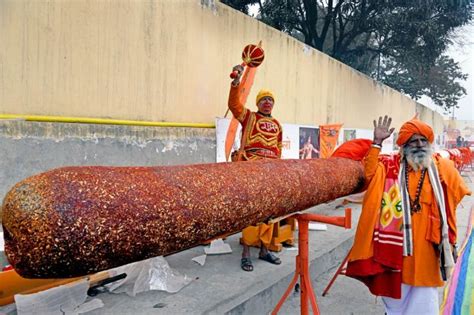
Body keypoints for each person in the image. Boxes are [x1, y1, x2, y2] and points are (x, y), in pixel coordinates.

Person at [345, 115, 471, 314]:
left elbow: (457, 195)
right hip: (397, 244)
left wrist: (440, 223)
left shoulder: (441, 167)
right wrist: (377, 142)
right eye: (413, 141)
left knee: (425, 295)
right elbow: (368, 175)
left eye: (423, 140)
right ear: (404, 146)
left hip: (428, 247)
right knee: (396, 296)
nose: (419, 145)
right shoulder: (389, 167)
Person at [228, 64, 283, 272]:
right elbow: (234, 105)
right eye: (264, 99)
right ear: (258, 103)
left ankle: (263, 249)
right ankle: (245, 253)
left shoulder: (277, 124)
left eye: (270, 100)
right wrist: (236, 83)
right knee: (251, 213)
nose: (267, 102)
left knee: (268, 212)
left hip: (270, 173)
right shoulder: (249, 116)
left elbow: (278, 149)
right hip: (251, 171)